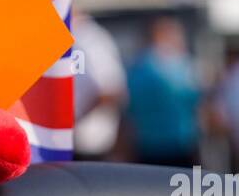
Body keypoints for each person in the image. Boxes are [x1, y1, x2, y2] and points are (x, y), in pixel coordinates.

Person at [124, 16, 202, 167]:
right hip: (180, 146)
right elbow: (198, 103)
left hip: (145, 147)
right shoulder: (182, 66)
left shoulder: (135, 69)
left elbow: (129, 110)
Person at [71, 11, 127, 159]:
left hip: (89, 146)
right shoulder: (73, 35)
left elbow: (110, 90)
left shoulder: (91, 39)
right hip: (71, 144)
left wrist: (73, 119)